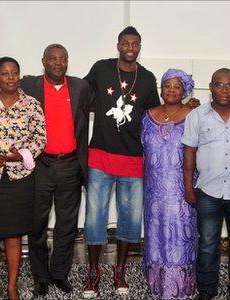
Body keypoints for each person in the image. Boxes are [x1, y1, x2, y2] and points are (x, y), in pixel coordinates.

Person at [82, 26, 160, 298]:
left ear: (140, 46)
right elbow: (80, 93)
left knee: (130, 220)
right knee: (94, 218)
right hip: (100, 156)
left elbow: (155, 116)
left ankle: (120, 271)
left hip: (132, 159)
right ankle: (93, 272)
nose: (130, 47)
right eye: (125, 42)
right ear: (118, 45)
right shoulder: (101, 68)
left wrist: (185, 106)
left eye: (135, 43)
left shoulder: (148, 78)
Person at [20, 44, 92, 296]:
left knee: (67, 225)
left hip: (71, 165)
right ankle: (41, 276)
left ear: (67, 62)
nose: (58, 63)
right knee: (36, 223)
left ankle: (60, 274)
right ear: (43, 61)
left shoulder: (81, 87)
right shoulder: (29, 86)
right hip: (40, 165)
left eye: (63, 59)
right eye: (52, 58)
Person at [0, 57, 45, 300]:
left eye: (15, 73)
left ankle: (12, 286)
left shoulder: (32, 105)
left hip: (20, 178)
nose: (11, 78)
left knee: (14, 233)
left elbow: (40, 139)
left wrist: (21, 155)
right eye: (5, 73)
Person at [182, 68, 230, 300]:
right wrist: (188, 188)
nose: (224, 90)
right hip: (208, 192)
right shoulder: (197, 116)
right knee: (207, 245)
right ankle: (206, 291)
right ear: (211, 87)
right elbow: (189, 153)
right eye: (219, 85)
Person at [142, 69, 197, 300]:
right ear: (161, 89)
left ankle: (180, 290)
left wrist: (190, 189)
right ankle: (157, 287)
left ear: (184, 91)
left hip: (182, 192)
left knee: (180, 238)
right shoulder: (147, 116)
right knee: (155, 237)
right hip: (153, 193)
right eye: (167, 85)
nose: (172, 90)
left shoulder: (194, 115)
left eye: (177, 86)